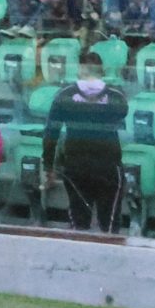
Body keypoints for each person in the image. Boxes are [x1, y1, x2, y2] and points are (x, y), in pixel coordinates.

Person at [45, 55, 128, 232]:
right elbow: (121, 114)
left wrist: (48, 167)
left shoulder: (64, 95)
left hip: (76, 164)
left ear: (80, 69)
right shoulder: (116, 96)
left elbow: (51, 133)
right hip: (108, 165)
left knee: (79, 220)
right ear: (102, 71)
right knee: (110, 223)